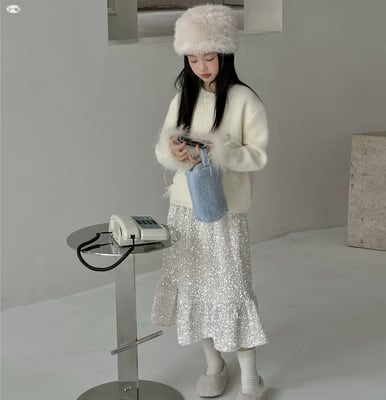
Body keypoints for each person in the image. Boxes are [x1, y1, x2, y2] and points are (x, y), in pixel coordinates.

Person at [151, 4, 269, 400]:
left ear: (225, 54)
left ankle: (250, 377)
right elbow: (163, 149)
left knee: (233, 290)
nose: (202, 66)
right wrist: (174, 152)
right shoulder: (182, 98)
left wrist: (219, 151)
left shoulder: (244, 99)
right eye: (193, 58)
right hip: (185, 209)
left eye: (209, 57)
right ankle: (214, 365)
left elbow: (258, 155)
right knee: (193, 287)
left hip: (225, 211)